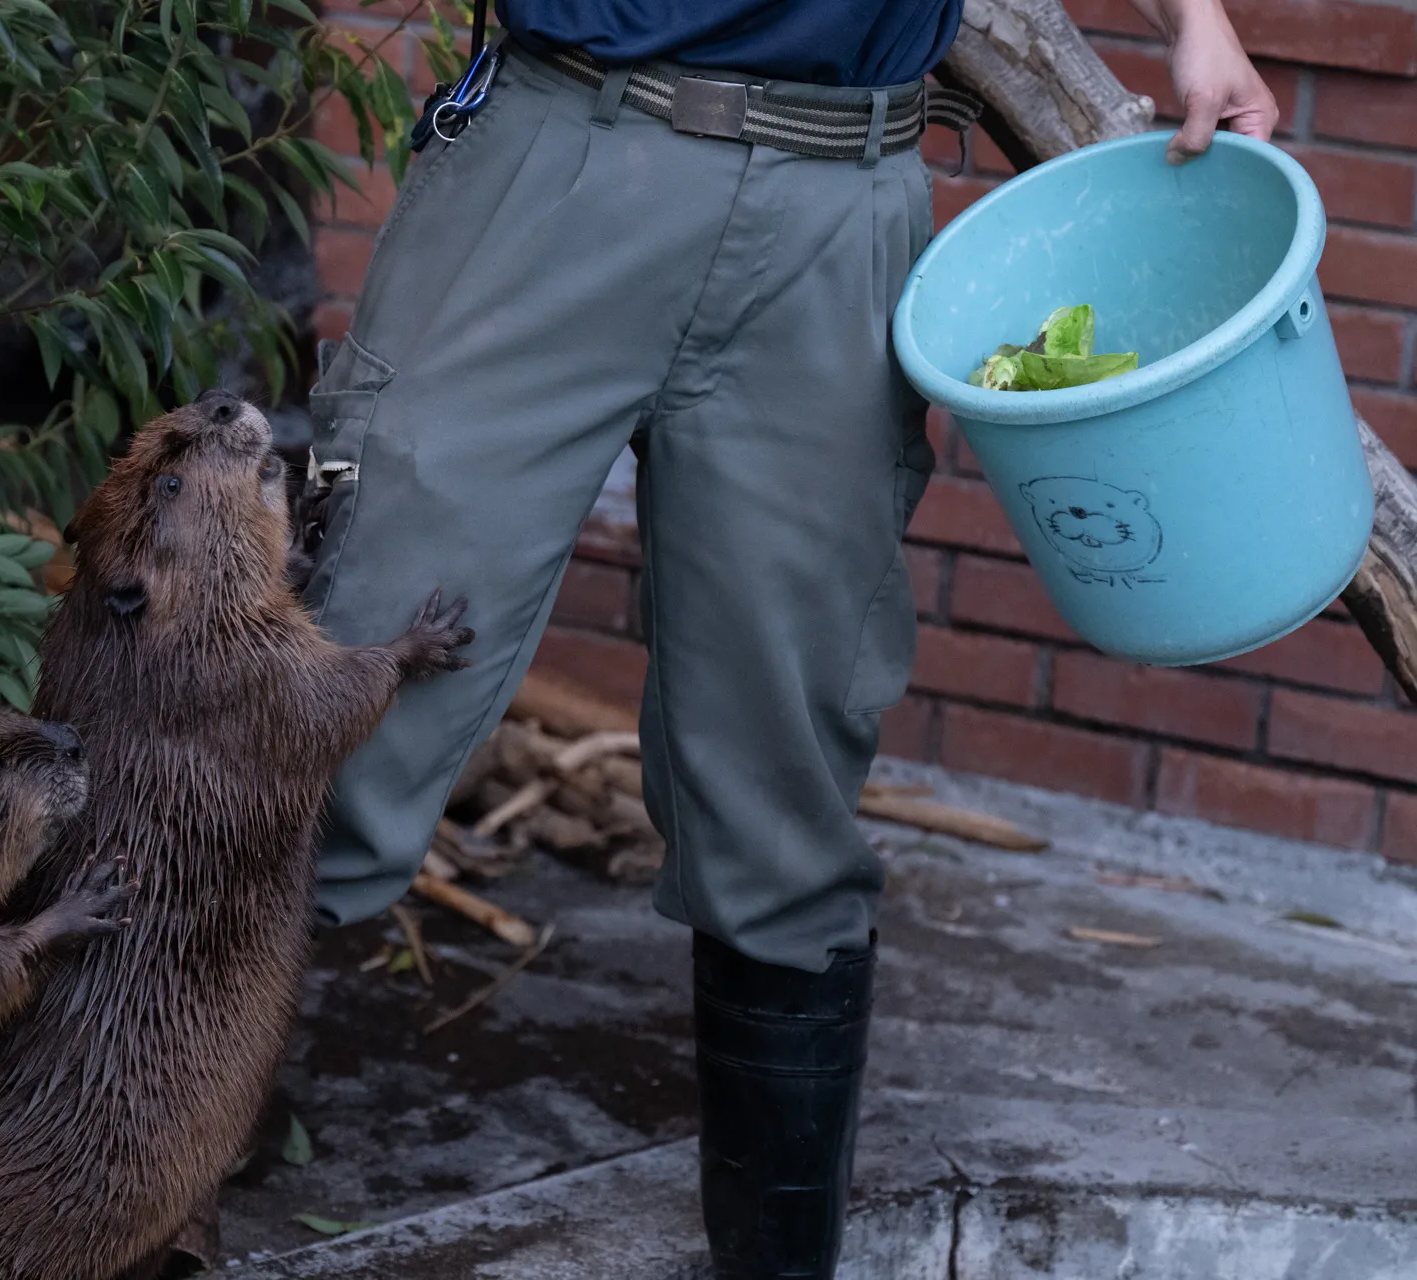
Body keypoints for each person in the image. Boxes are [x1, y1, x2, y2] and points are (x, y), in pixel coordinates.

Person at [297, 2, 1276, 1275]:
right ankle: (134, 1175)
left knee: (784, 782)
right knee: (330, 710)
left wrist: (1197, 19)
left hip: (840, 193)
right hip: (569, 148)